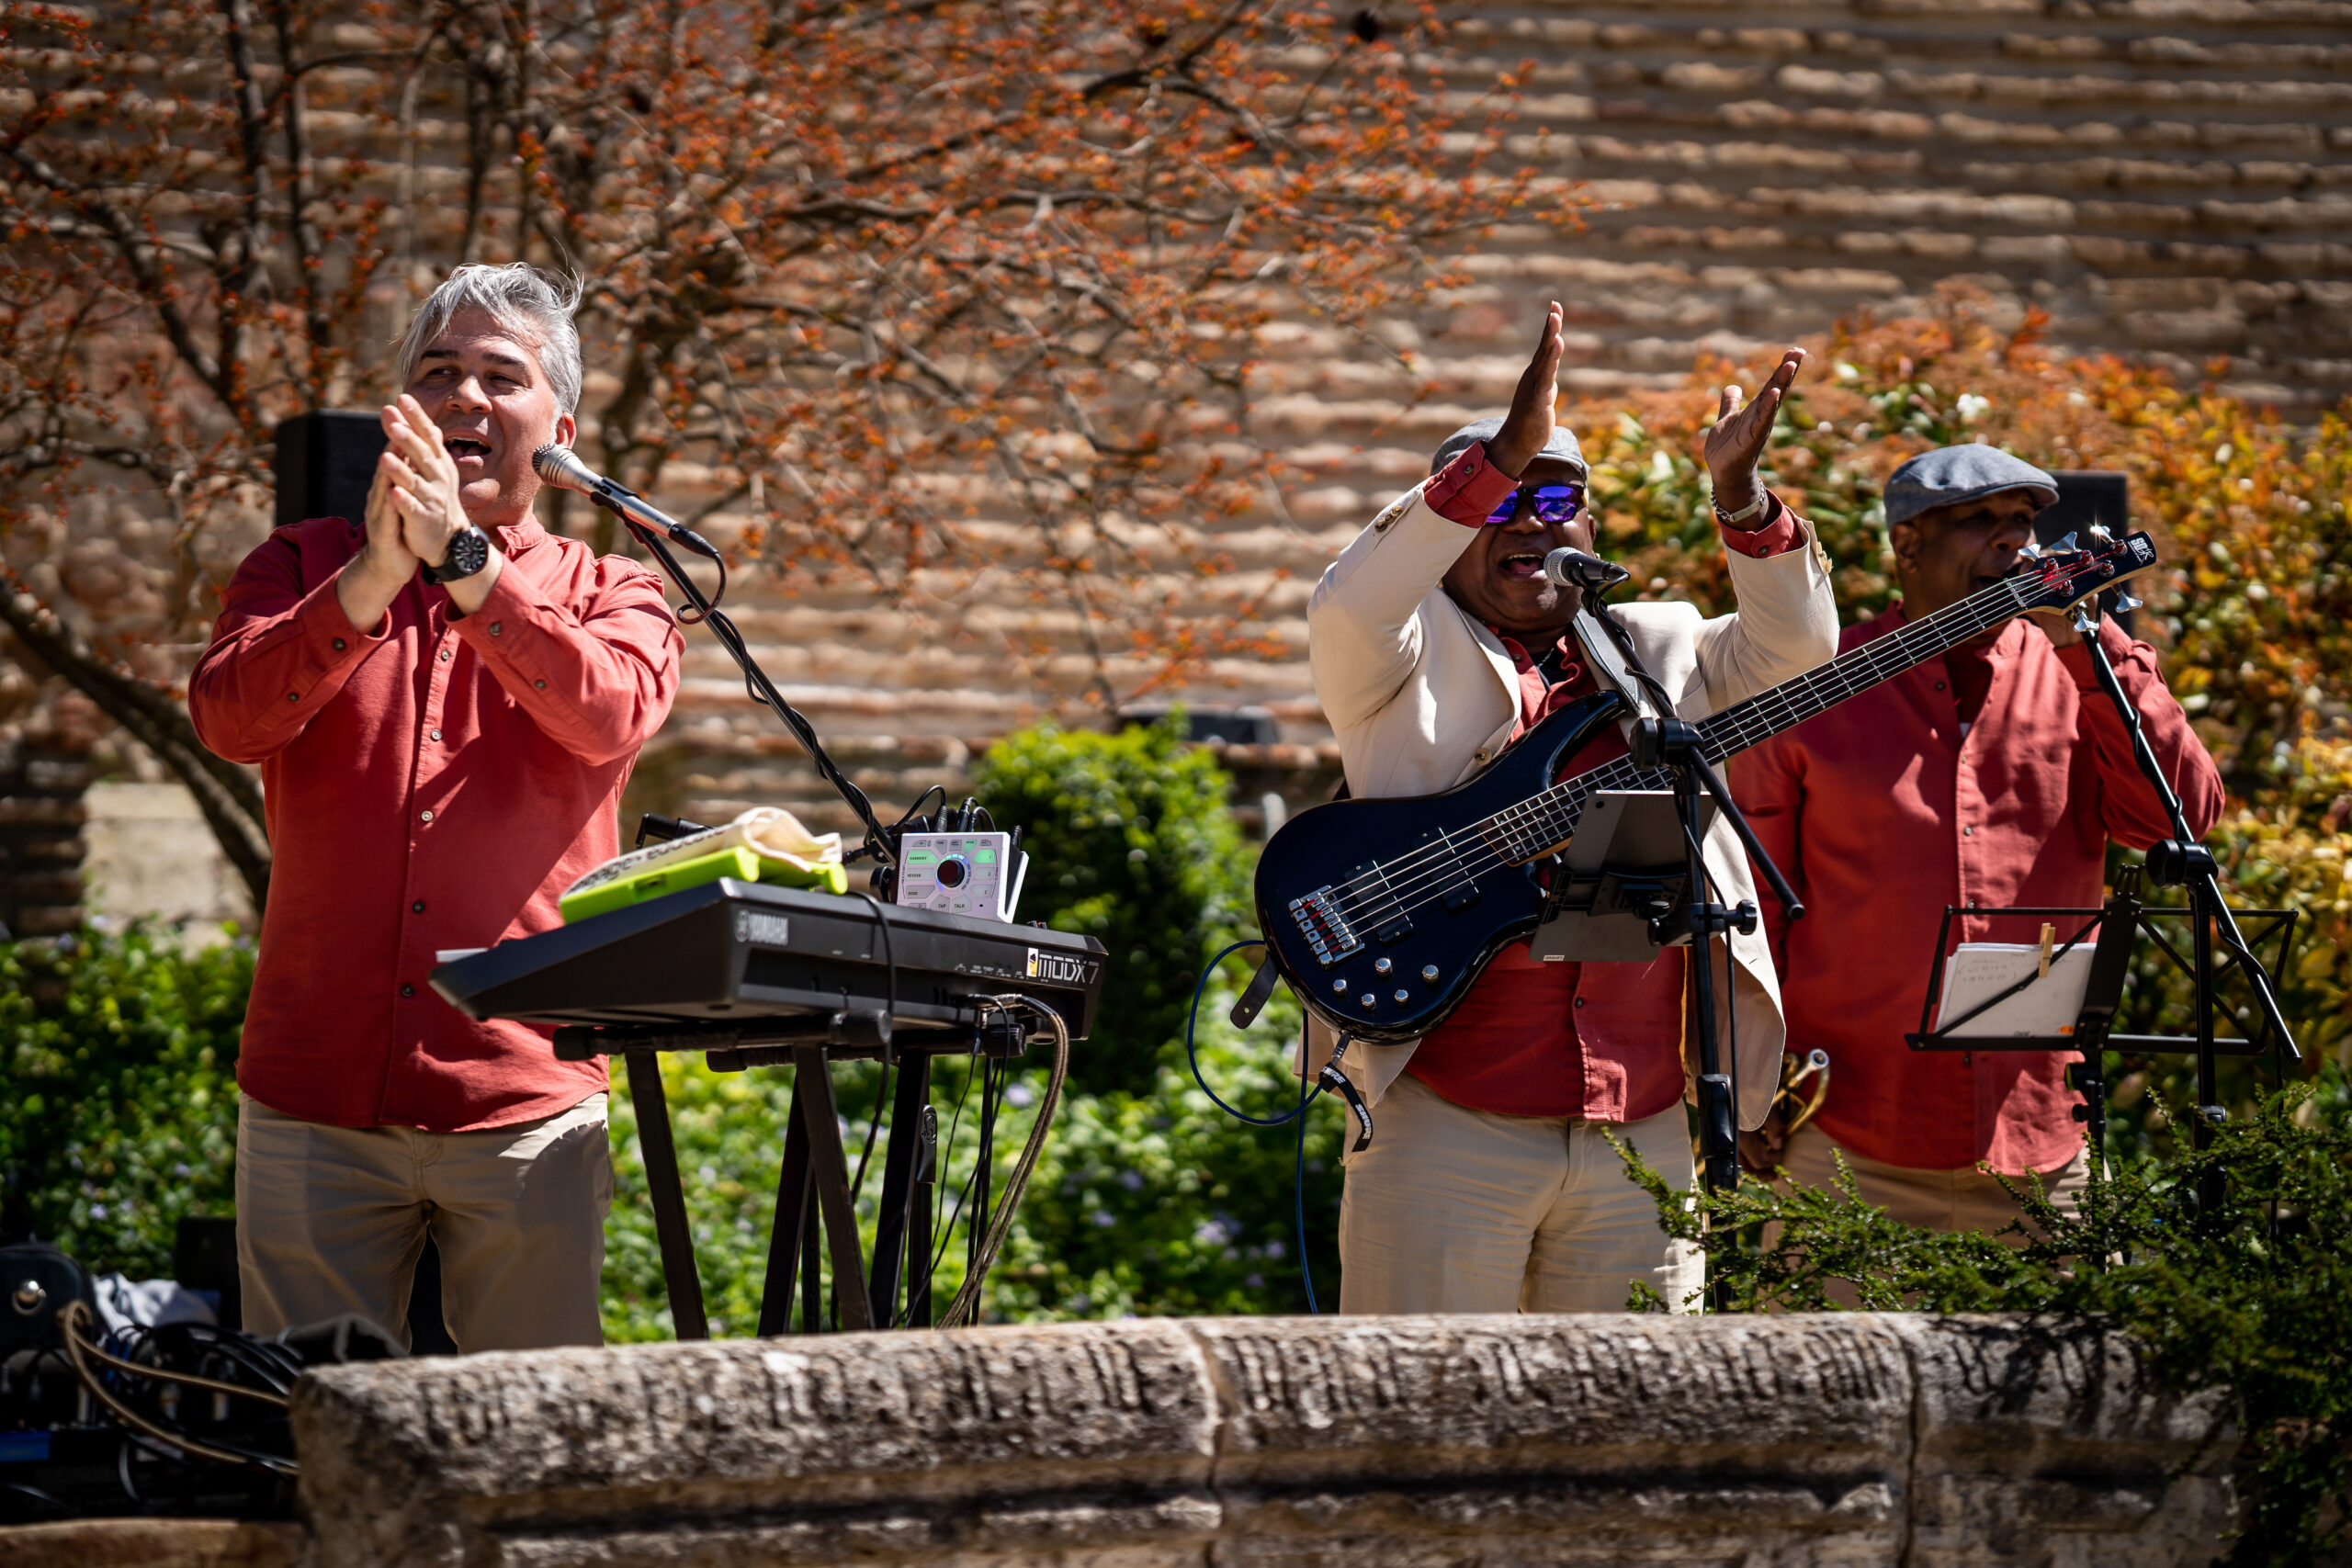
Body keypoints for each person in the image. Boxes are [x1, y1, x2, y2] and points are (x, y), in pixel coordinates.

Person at [1307, 302, 1839, 1314]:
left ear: (1591, 529)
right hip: (1445, 1114)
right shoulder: (1397, 653)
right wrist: (1493, 462)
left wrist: (1740, 496)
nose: (1532, 518)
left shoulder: (1662, 648)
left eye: (1559, 497)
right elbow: (1351, 598)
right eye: (1502, 502)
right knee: (1424, 1418)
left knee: (1628, 1438)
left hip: (1637, 1122)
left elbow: (1797, 652)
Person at [189, 264, 683, 1350]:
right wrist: (372, 575)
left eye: (499, 377)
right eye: (438, 374)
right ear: (401, 414)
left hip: (524, 1099)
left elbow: (606, 717)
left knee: (534, 1437)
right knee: (312, 1434)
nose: (465, 397)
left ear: (557, 428)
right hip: (314, 1097)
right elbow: (228, 721)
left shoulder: (616, 588)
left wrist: (468, 566)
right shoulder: (298, 566)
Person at [1733, 446, 2223, 1233]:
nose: (2013, 542)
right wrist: (1742, 1072)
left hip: (2042, 1141)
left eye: (2024, 522)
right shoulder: (1815, 681)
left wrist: (2089, 646)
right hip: (1846, 1139)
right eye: (1979, 521)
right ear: (1908, 544)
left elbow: (2177, 818)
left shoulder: (2082, 668)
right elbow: (1750, 901)